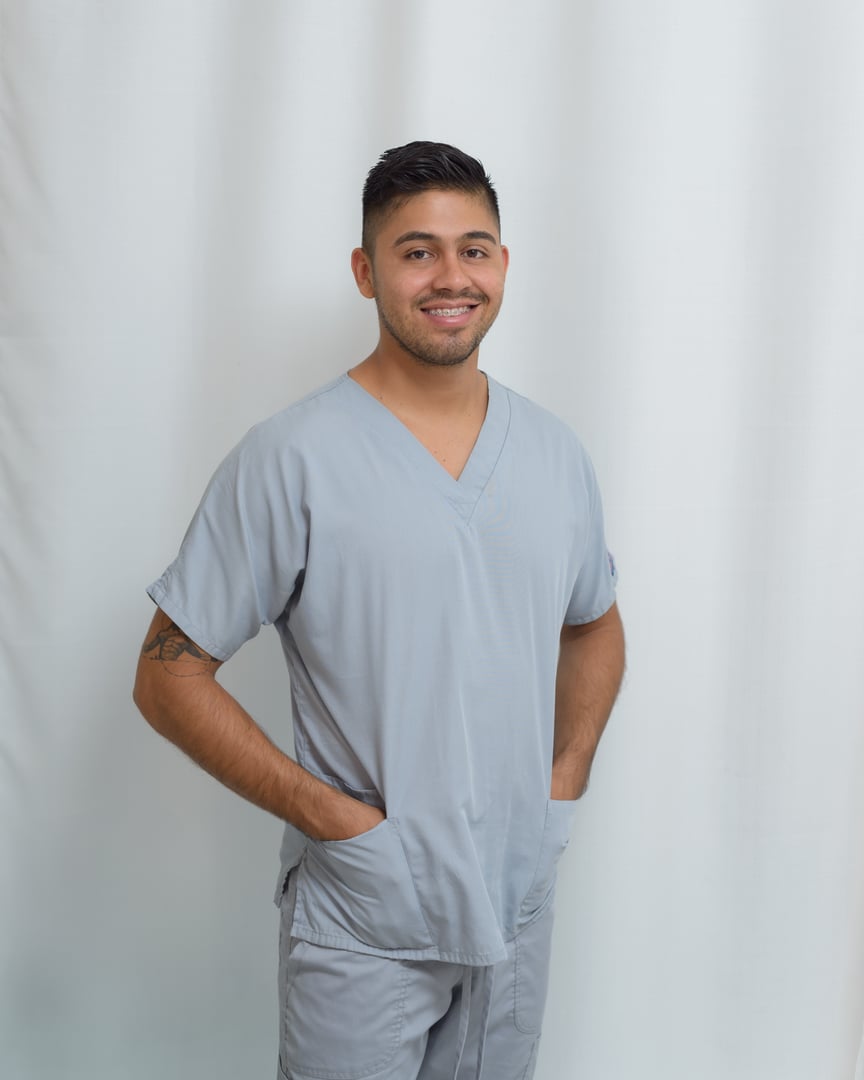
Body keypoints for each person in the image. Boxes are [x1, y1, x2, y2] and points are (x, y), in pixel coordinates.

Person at [133, 141, 625, 1080]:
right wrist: (335, 822)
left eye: (474, 249)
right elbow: (167, 677)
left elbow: (594, 620)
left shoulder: (556, 455)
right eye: (416, 251)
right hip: (366, 918)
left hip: (516, 906)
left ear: (504, 266)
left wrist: (564, 778)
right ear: (366, 271)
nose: (451, 276)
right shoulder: (293, 458)